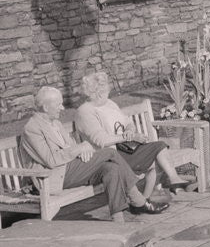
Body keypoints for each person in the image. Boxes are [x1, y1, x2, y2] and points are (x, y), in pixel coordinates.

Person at [20, 86, 169, 219]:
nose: (62, 107)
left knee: (111, 169)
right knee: (109, 153)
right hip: (53, 177)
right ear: (46, 107)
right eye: (58, 104)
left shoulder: (56, 123)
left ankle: (119, 221)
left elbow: (70, 146)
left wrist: (82, 150)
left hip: (70, 168)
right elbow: (51, 160)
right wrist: (81, 147)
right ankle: (139, 200)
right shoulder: (32, 128)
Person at [76, 71, 191, 198]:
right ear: (98, 93)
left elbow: (127, 122)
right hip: (110, 156)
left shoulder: (109, 104)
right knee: (155, 162)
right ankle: (144, 201)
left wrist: (130, 130)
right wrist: (131, 137)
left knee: (160, 146)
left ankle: (171, 181)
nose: (108, 93)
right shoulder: (85, 111)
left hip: (126, 149)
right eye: (106, 91)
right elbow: (101, 140)